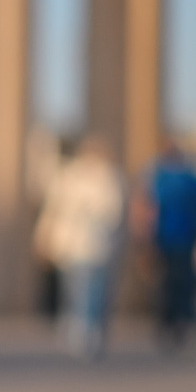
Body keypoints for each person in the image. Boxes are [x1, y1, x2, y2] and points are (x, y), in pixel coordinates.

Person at [34, 136, 125, 359]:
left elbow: (113, 213)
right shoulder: (69, 177)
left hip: (95, 245)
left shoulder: (107, 178)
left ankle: (87, 329)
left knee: (92, 289)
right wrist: (44, 238)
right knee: (77, 288)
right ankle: (79, 328)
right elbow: (53, 210)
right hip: (74, 245)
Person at [143, 137, 196, 349]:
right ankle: (182, 321)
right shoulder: (190, 178)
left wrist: (145, 239)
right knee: (184, 282)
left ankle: (171, 323)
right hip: (184, 237)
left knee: (169, 282)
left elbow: (148, 209)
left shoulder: (159, 178)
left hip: (167, 237)